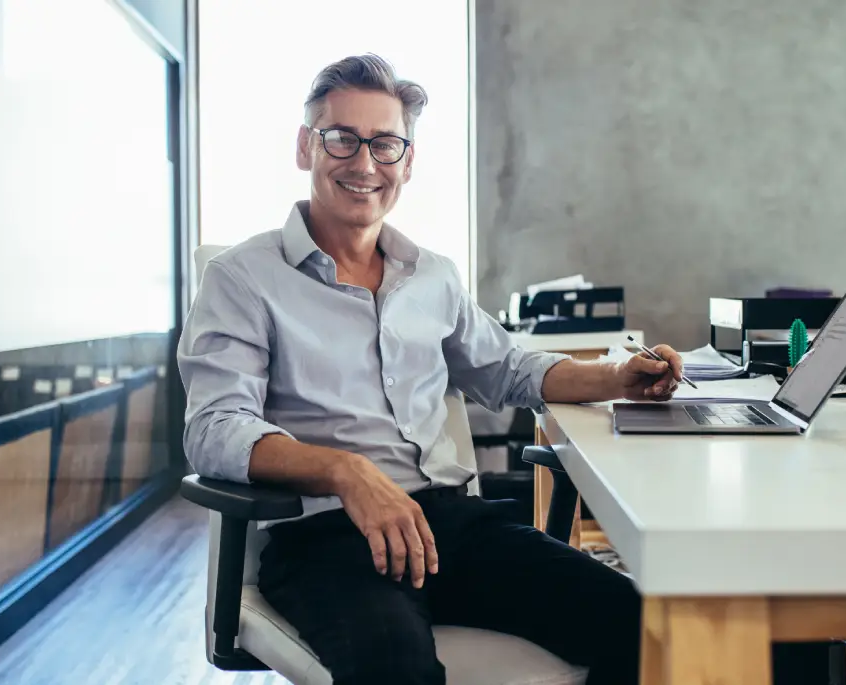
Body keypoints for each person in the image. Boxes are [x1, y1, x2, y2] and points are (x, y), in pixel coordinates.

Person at [177, 54, 684, 685]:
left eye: (385, 144)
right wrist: (346, 472)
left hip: (454, 527)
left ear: (407, 162)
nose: (364, 163)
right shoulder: (243, 279)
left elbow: (512, 370)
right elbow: (215, 427)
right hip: (331, 539)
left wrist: (617, 378)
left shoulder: (433, 275)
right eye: (341, 139)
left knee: (647, 630)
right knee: (395, 668)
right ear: (306, 147)